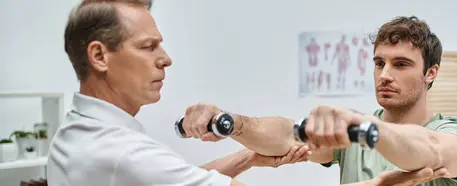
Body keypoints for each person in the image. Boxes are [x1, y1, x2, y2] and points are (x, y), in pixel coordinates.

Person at [181, 16, 457, 185]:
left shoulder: (452, 135)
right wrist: (232, 123)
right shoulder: (352, 136)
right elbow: (286, 134)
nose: (385, 75)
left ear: (431, 72)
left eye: (400, 64)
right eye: (379, 63)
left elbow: (430, 150)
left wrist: (368, 128)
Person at [46, 0, 310, 186]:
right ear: (99, 56)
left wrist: (248, 157)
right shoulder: (125, 153)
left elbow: (165, 179)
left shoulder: (73, 131)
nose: (166, 59)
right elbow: (149, 171)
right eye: (148, 46)